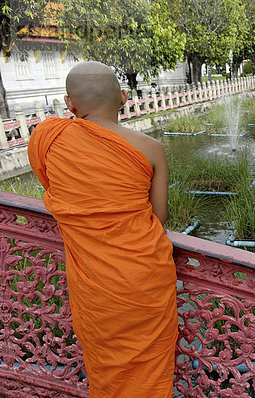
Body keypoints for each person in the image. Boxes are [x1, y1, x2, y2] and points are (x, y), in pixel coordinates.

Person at [28, 61, 177, 397]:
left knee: (107, 368)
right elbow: (160, 215)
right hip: (145, 277)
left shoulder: (49, 138)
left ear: (70, 104)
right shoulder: (150, 148)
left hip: (96, 284)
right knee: (149, 370)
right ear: (123, 97)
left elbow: (53, 188)